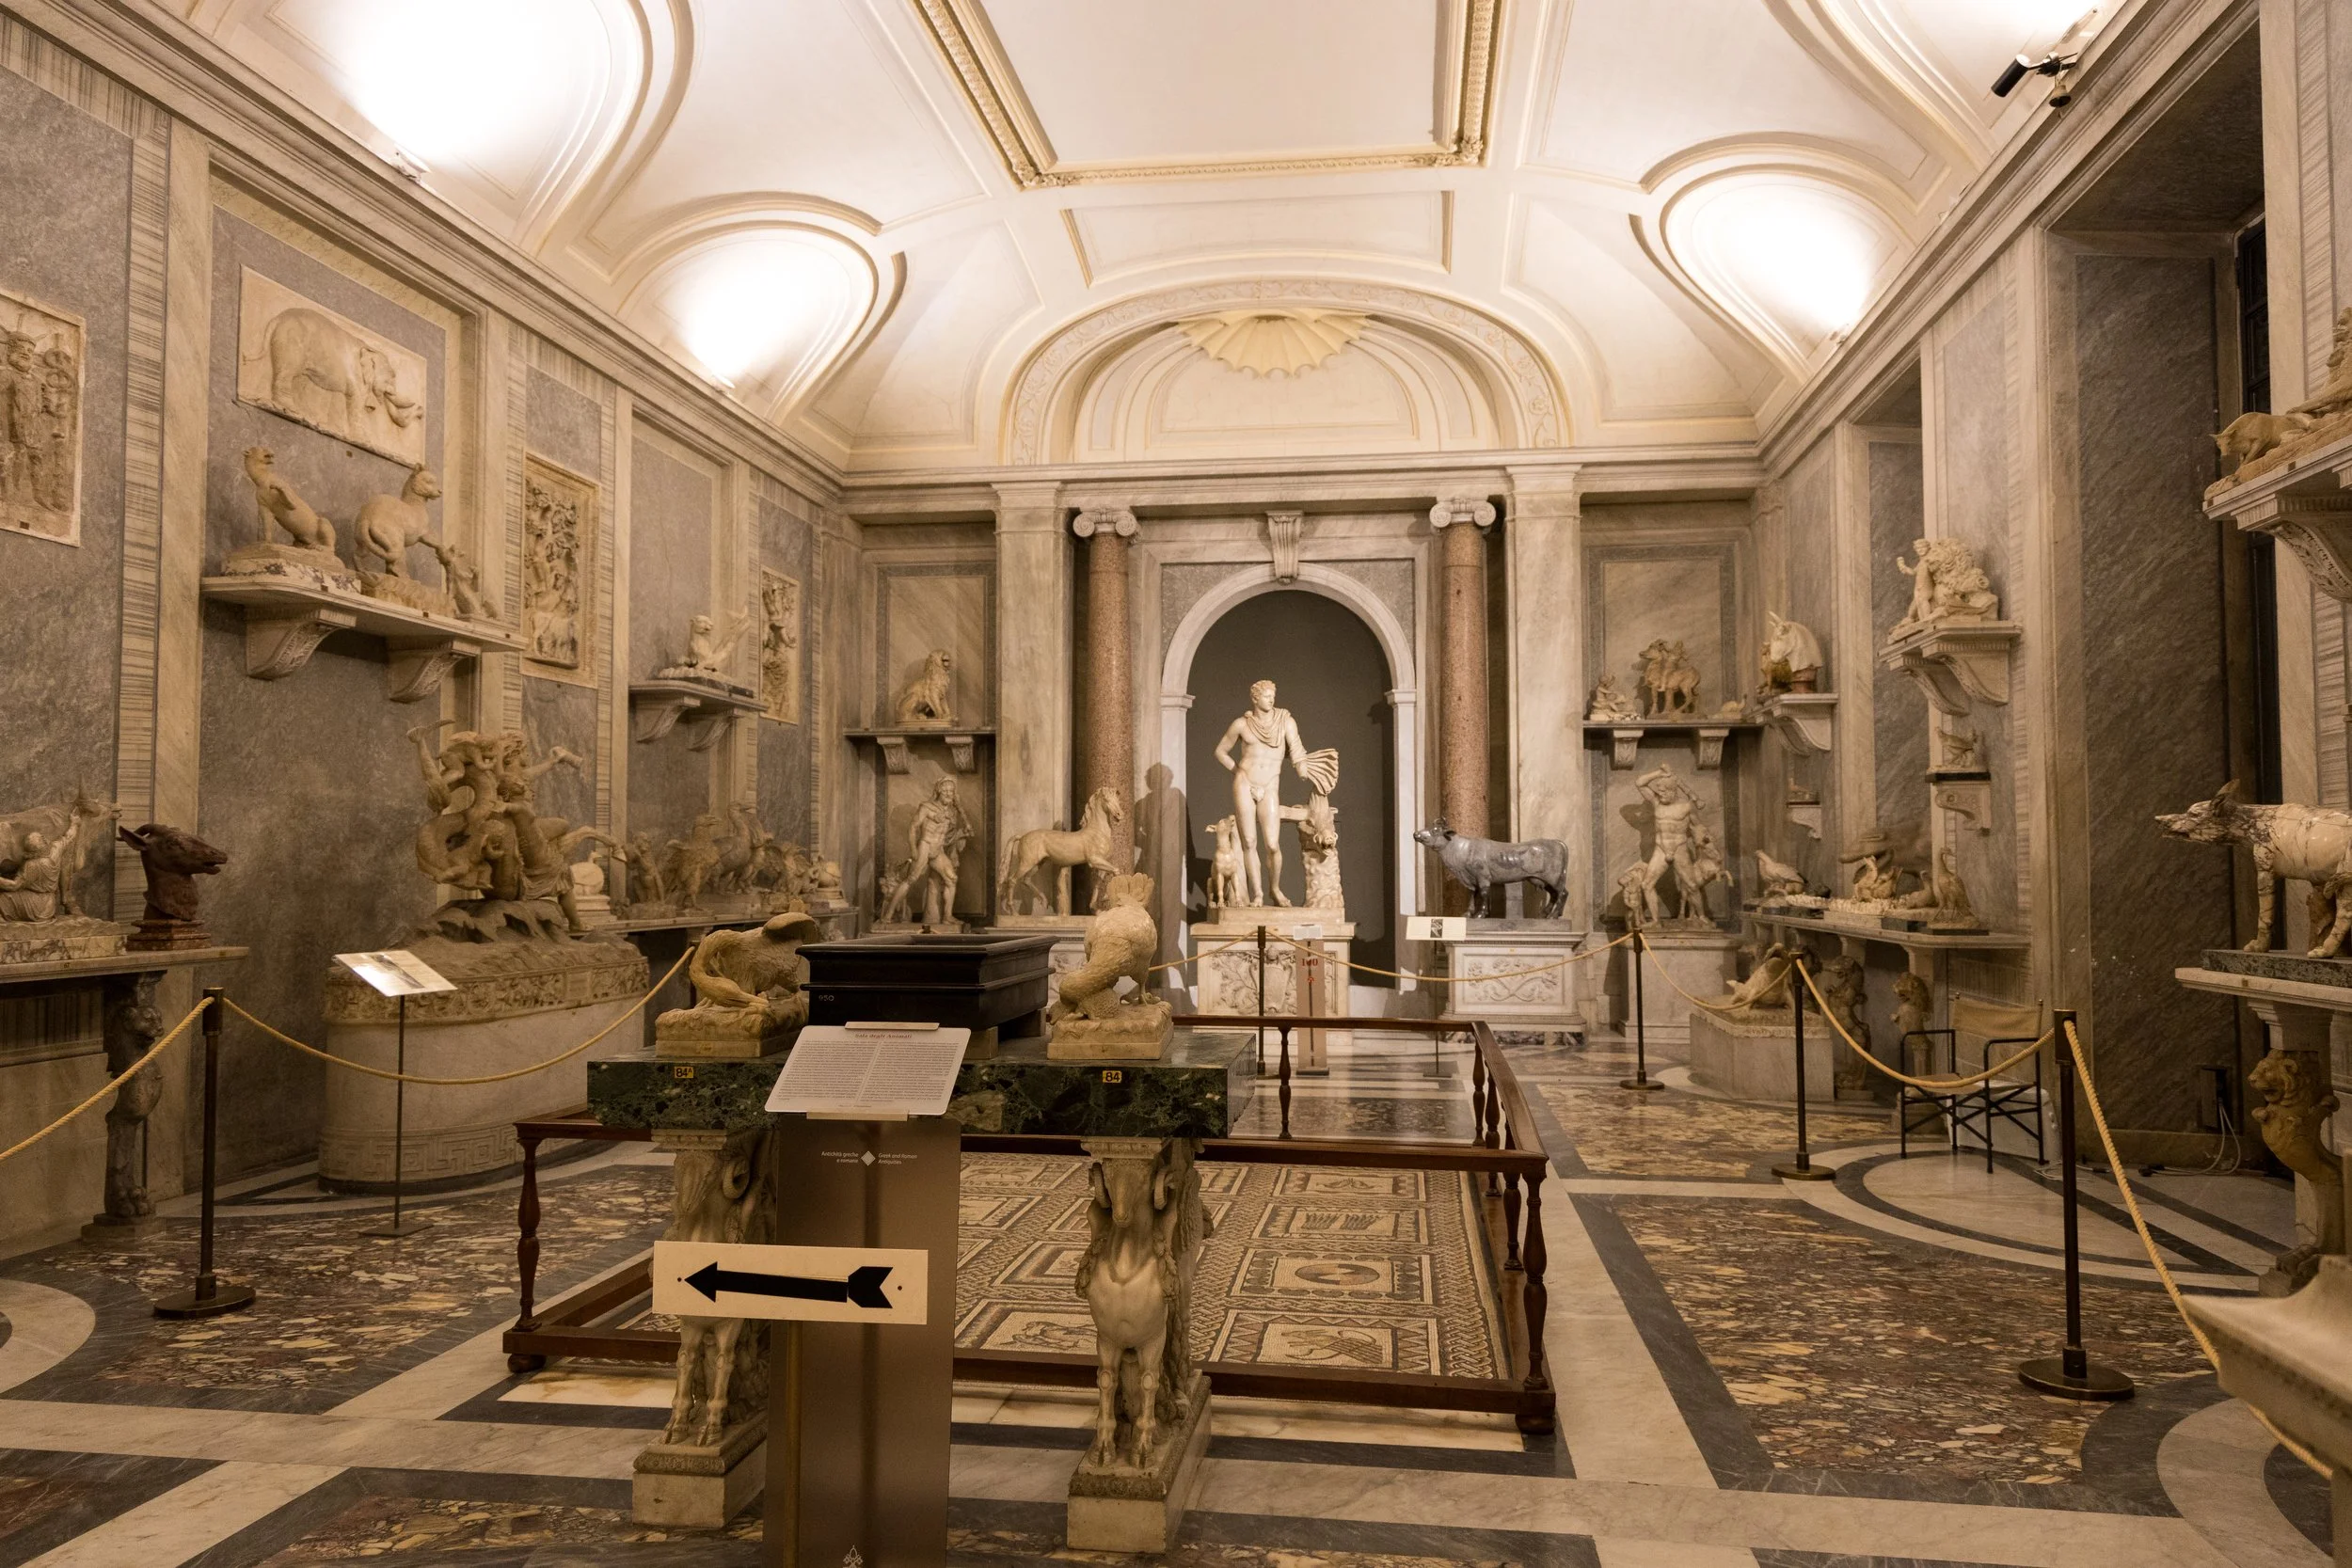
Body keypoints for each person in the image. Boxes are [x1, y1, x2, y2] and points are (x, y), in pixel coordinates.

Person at [1210, 679, 1337, 907]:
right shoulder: (1242, 724)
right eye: (1267, 696)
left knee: (1272, 844)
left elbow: (1297, 749)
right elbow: (1220, 751)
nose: (1271, 699)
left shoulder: (1285, 721)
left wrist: (1302, 767)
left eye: (1273, 695)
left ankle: (1274, 889)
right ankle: (1258, 893)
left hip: (1269, 784)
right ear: (1255, 698)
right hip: (1244, 784)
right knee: (1249, 841)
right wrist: (1238, 771)